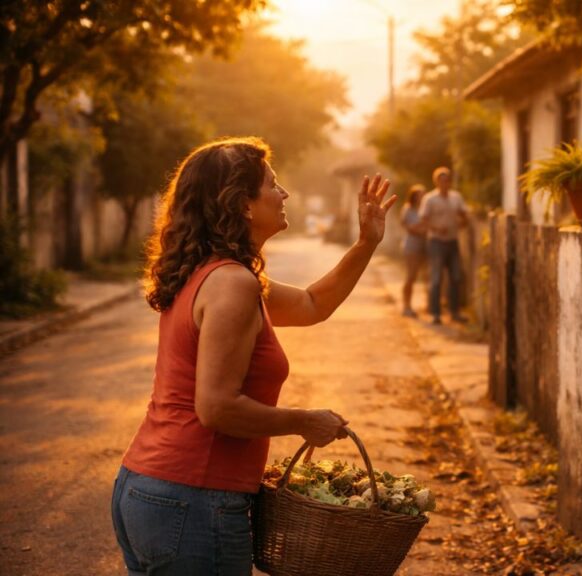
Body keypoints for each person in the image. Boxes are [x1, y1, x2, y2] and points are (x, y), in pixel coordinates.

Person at [110, 137, 396, 575]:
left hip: (151, 489)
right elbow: (216, 408)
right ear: (241, 204)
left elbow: (312, 305)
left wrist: (366, 243)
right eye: (273, 184)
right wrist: (304, 420)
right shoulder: (232, 285)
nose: (285, 195)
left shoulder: (216, 273)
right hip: (192, 498)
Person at [419, 166, 469, 325]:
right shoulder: (430, 199)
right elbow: (424, 219)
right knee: (436, 278)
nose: (445, 183)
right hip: (436, 242)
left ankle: (454, 312)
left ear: (450, 182)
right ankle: (435, 313)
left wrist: (462, 222)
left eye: (447, 181)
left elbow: (464, 214)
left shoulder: (456, 197)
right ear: (436, 182)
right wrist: (437, 228)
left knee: (455, 277)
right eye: (442, 181)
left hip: (452, 241)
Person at [400, 184, 428, 318]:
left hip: (425, 246)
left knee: (425, 276)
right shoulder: (408, 209)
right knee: (411, 276)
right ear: (414, 196)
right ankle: (406, 306)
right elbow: (409, 228)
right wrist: (421, 228)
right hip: (411, 247)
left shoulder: (426, 210)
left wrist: (421, 228)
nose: (422, 196)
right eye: (420, 194)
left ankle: (427, 305)